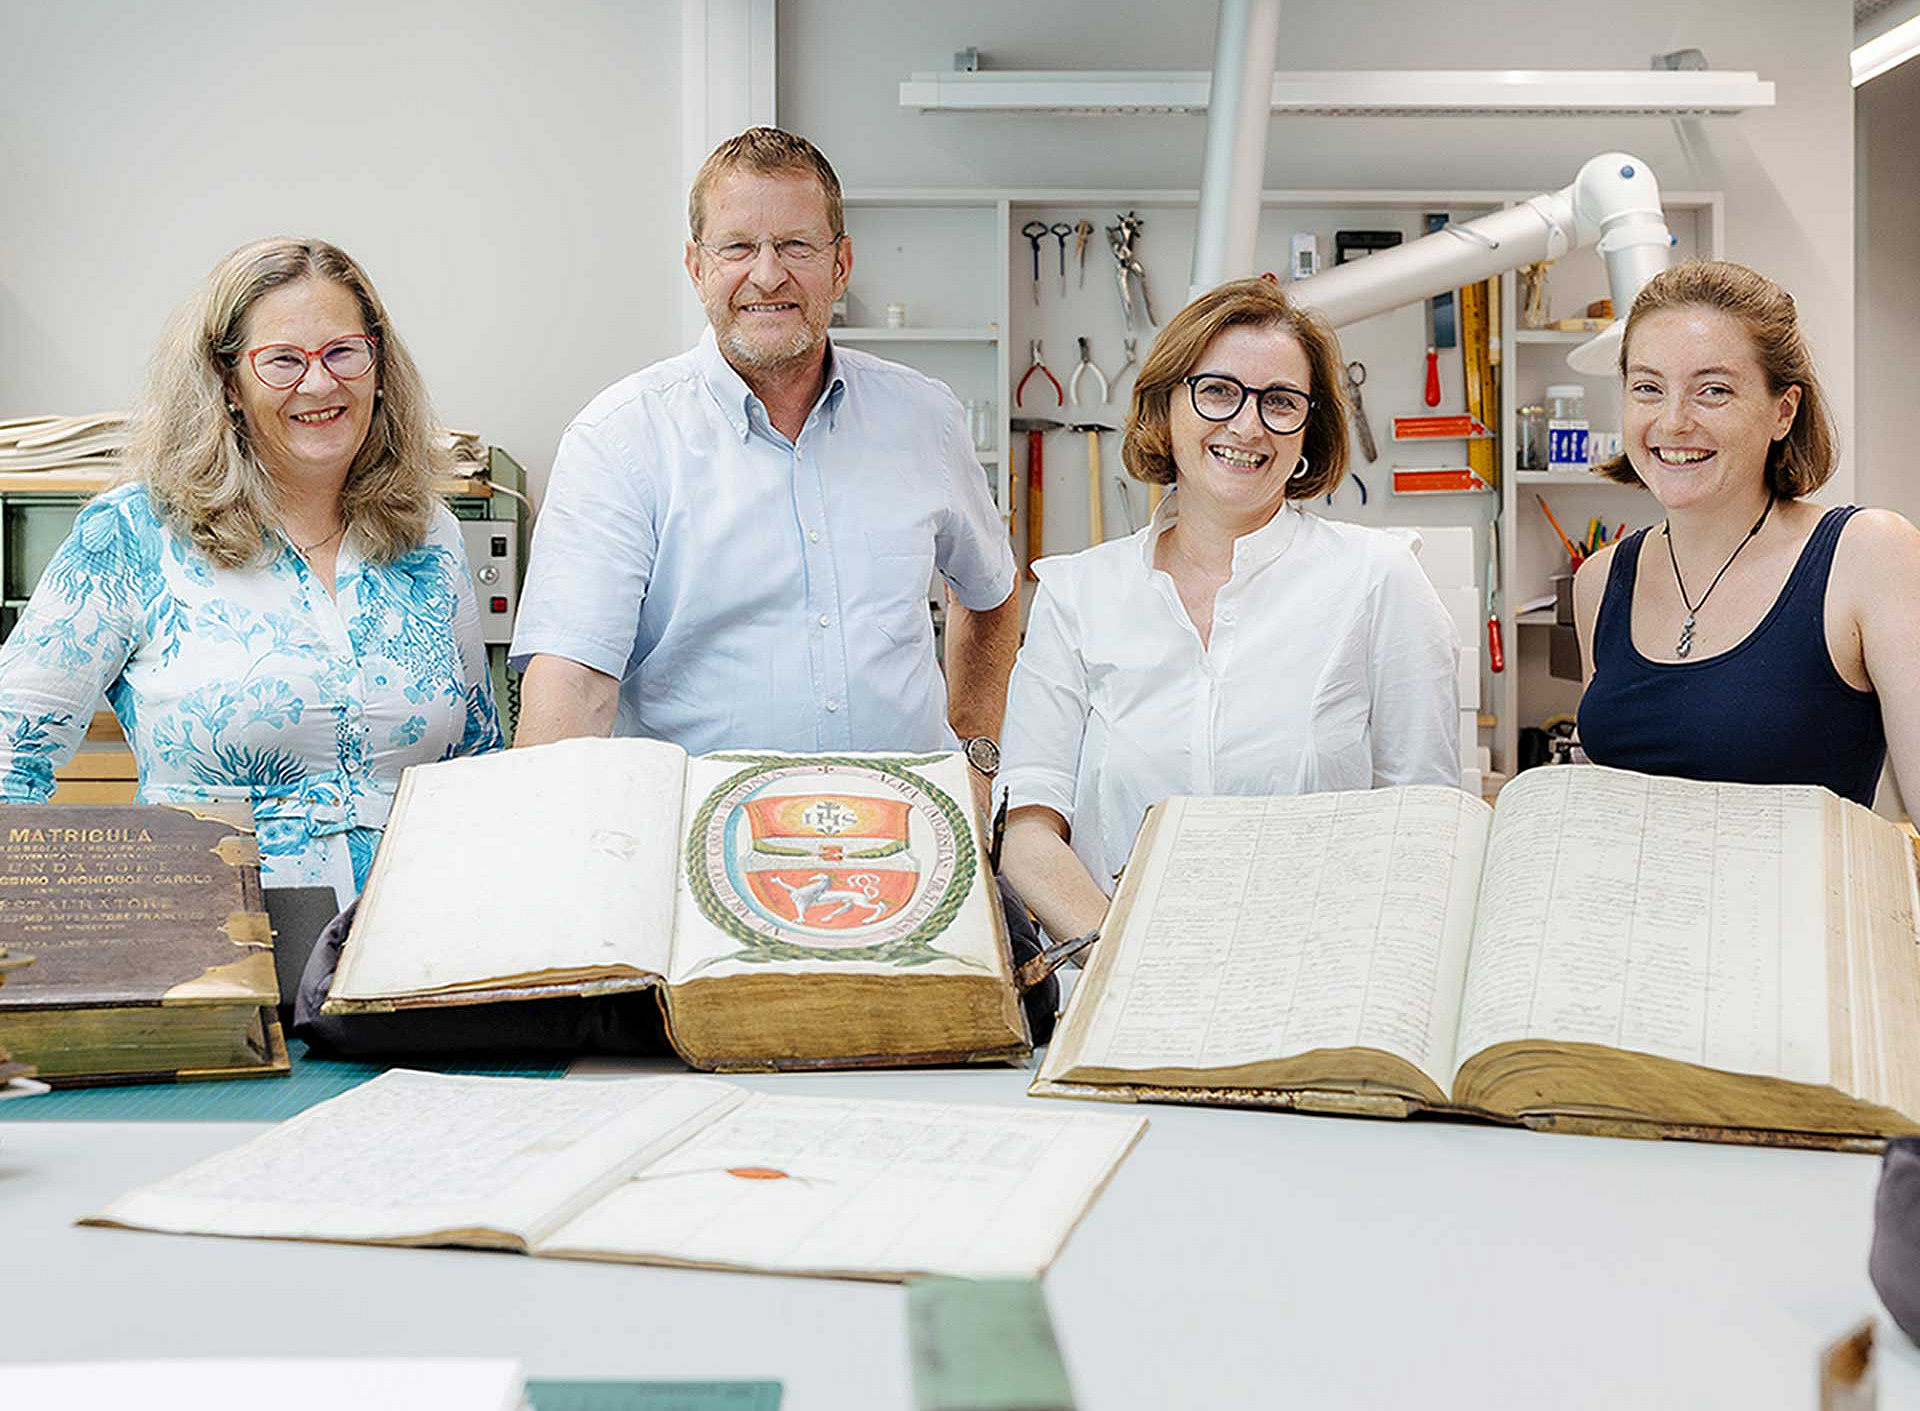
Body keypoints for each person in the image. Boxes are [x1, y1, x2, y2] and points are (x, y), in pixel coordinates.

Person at [510, 127, 1019, 817]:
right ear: (696, 267)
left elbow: (991, 595)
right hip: (702, 864)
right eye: (738, 247)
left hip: (907, 847)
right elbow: (572, 686)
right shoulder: (620, 441)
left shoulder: (925, 418)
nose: (768, 273)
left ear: (841, 265)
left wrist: (975, 761)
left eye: (796, 246)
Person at [0, 238, 502, 906]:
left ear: (379, 366)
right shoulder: (133, 533)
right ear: (227, 383)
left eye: (343, 352)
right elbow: (9, 759)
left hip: (415, 948)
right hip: (221, 955)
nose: (320, 384)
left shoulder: (429, 532)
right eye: (282, 361)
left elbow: (476, 757)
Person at [997, 277, 1462, 948]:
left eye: (1280, 401)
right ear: (1165, 407)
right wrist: (1129, 959)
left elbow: (1425, 826)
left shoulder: (1378, 580)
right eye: (1217, 390)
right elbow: (1029, 831)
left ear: (1310, 429)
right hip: (1117, 988)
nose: (1247, 425)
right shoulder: (1077, 594)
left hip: (1314, 989)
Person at [1574, 260, 1920, 807]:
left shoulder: (1869, 554)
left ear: (1783, 411)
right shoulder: (1600, 579)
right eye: (1647, 387)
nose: (1672, 422)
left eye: (1712, 391)